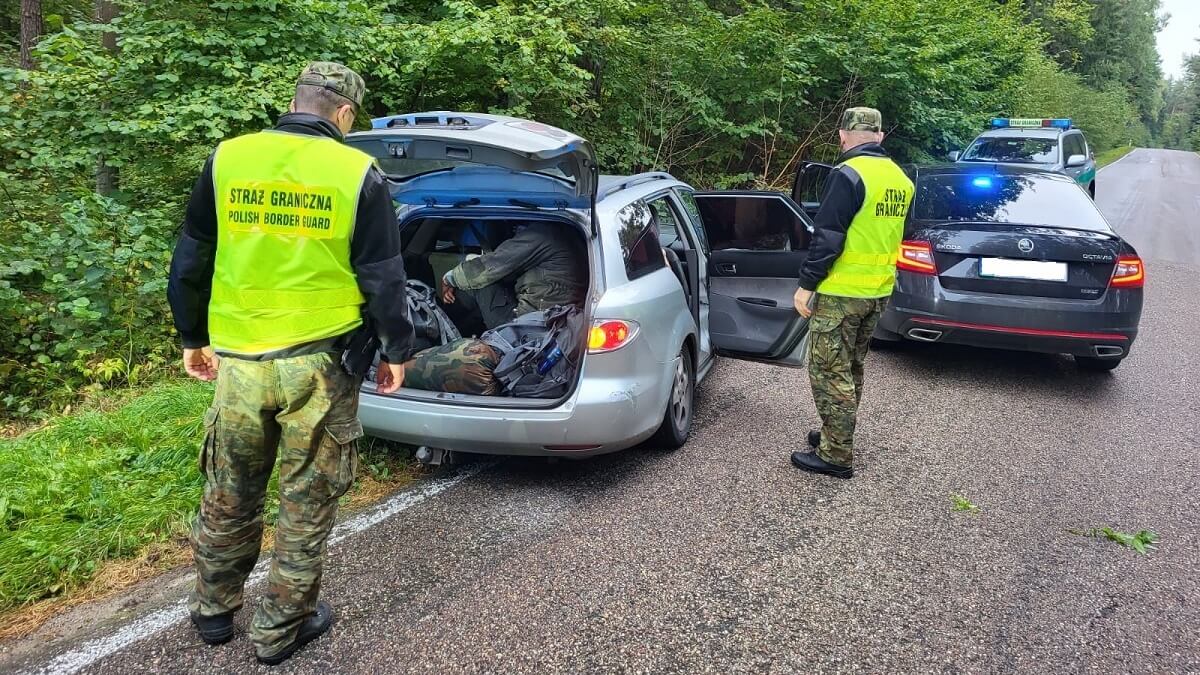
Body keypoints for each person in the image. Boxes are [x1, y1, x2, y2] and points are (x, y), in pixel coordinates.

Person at [166, 62, 414, 664]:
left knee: (230, 490)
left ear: (297, 101)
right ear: (345, 113)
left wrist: (191, 335)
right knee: (307, 497)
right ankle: (280, 629)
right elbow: (382, 278)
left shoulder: (228, 159)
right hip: (319, 365)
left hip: (239, 362)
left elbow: (192, 255)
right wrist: (397, 350)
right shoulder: (359, 173)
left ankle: (214, 612)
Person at [790, 107, 914, 480]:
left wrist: (806, 285)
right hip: (877, 291)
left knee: (828, 370)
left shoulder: (848, 174)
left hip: (842, 290)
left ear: (842, 135)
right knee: (852, 365)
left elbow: (827, 236)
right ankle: (834, 433)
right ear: (880, 137)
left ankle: (836, 455)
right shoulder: (900, 177)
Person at [441, 221, 587, 330]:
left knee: (477, 283)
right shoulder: (576, 233)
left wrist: (450, 279)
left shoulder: (541, 234)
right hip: (566, 324)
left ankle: (444, 326)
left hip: (529, 326)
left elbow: (491, 266)